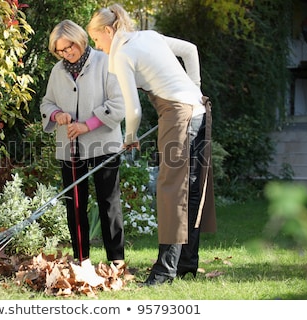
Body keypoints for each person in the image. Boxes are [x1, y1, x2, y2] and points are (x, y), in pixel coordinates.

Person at [87, 3, 216, 285]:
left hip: (178, 114)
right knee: (190, 189)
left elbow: (133, 112)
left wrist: (130, 137)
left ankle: (163, 272)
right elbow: (190, 50)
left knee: (170, 190)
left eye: (97, 39)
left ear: (109, 31)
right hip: (197, 110)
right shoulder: (149, 36)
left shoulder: (121, 54)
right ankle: (185, 264)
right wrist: (195, 88)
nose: (98, 46)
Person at [40, 19, 126, 269]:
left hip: (104, 144)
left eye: (69, 47)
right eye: (60, 50)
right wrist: (58, 115)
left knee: (109, 202)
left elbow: (118, 104)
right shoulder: (58, 71)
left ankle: (116, 262)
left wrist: (86, 125)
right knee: (75, 204)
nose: (66, 54)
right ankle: (82, 260)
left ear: (79, 40)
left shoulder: (104, 62)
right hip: (70, 147)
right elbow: (46, 103)